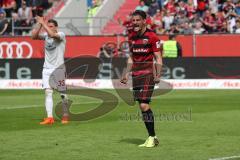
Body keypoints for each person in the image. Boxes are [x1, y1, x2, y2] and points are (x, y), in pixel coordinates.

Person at [120, 10, 162, 148]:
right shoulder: (132, 36)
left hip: (148, 74)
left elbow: (158, 57)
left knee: (144, 105)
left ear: (144, 20)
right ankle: (153, 137)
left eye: (138, 20)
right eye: (133, 20)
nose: (135, 23)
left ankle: (151, 137)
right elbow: (131, 57)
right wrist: (126, 73)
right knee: (142, 106)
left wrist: (158, 74)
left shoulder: (152, 37)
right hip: (136, 75)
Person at [31, 17, 69, 125]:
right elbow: (33, 37)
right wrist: (40, 24)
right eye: (49, 26)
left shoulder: (61, 35)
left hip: (59, 68)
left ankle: (65, 115)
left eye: (51, 26)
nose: (50, 28)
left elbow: (53, 35)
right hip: (46, 68)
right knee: (48, 92)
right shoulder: (45, 36)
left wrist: (44, 23)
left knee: (62, 93)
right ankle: (50, 118)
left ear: (56, 27)